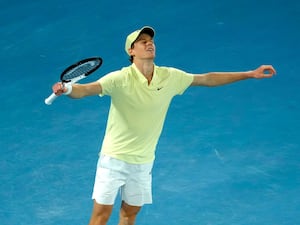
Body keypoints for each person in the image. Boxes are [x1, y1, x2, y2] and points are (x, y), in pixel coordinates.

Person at [52, 26, 276, 225]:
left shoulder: (170, 76)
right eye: (142, 41)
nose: (149, 43)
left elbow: (207, 79)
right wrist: (69, 89)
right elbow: (86, 90)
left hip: (143, 160)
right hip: (114, 158)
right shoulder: (119, 78)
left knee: (130, 215)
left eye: (150, 41)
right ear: (131, 51)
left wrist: (249, 74)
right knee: (101, 217)